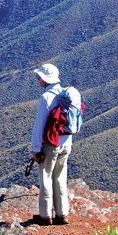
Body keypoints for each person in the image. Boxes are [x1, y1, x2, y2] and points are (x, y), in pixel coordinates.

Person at [31, 63, 71, 226]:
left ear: (45, 79)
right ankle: (62, 214)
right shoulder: (66, 94)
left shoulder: (46, 98)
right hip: (66, 143)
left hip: (50, 144)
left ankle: (45, 216)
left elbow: (39, 125)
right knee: (60, 177)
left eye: (39, 77)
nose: (38, 79)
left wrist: (35, 148)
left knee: (46, 177)